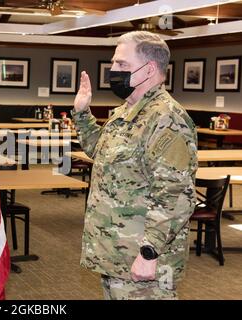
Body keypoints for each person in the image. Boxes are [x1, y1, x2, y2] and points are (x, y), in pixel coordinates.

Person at [72, 31, 198, 300]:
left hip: (142, 262)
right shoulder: (126, 111)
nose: (112, 70)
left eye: (122, 65)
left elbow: (175, 197)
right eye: (113, 63)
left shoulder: (167, 119)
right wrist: (83, 114)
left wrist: (148, 253)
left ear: (149, 69)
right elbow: (101, 151)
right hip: (116, 255)